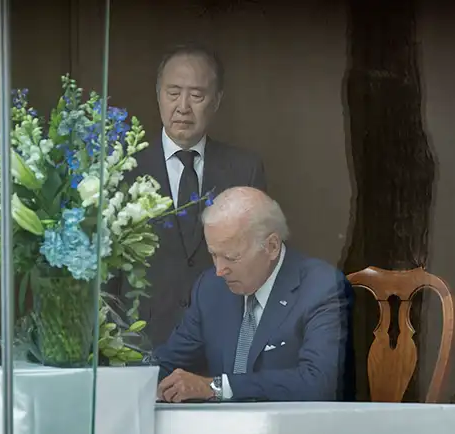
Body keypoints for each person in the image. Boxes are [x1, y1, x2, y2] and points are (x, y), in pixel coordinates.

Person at [155, 187, 354, 403]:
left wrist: (216, 387)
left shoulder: (322, 287)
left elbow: (319, 383)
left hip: (295, 430)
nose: (220, 270)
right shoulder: (211, 287)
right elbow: (169, 362)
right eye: (214, 255)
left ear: (272, 246)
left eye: (231, 257)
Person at [127, 43, 267, 347]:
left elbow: (259, 265)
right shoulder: (123, 167)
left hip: (220, 344)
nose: (183, 107)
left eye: (197, 96)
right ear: (158, 94)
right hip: (139, 345)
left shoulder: (245, 170)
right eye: (173, 93)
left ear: (216, 101)